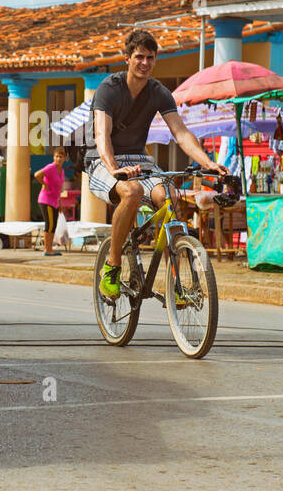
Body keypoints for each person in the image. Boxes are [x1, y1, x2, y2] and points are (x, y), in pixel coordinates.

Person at [88, 29, 228, 298]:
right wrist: (113, 167)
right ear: (127, 58)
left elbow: (181, 133)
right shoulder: (109, 88)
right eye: (139, 56)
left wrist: (208, 163)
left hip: (140, 160)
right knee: (132, 191)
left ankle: (176, 281)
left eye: (150, 58)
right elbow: (101, 135)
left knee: (170, 196)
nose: (145, 63)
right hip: (102, 159)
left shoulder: (158, 92)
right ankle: (113, 266)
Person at [35, 147, 69, 256]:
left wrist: (60, 203)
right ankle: (47, 249)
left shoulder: (62, 171)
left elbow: (59, 189)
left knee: (53, 225)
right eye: (57, 156)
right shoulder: (50, 167)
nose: (58, 158)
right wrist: (44, 184)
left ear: (65, 158)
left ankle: (50, 249)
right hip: (46, 199)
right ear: (53, 157)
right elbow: (37, 175)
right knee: (49, 224)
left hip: (54, 201)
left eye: (61, 156)